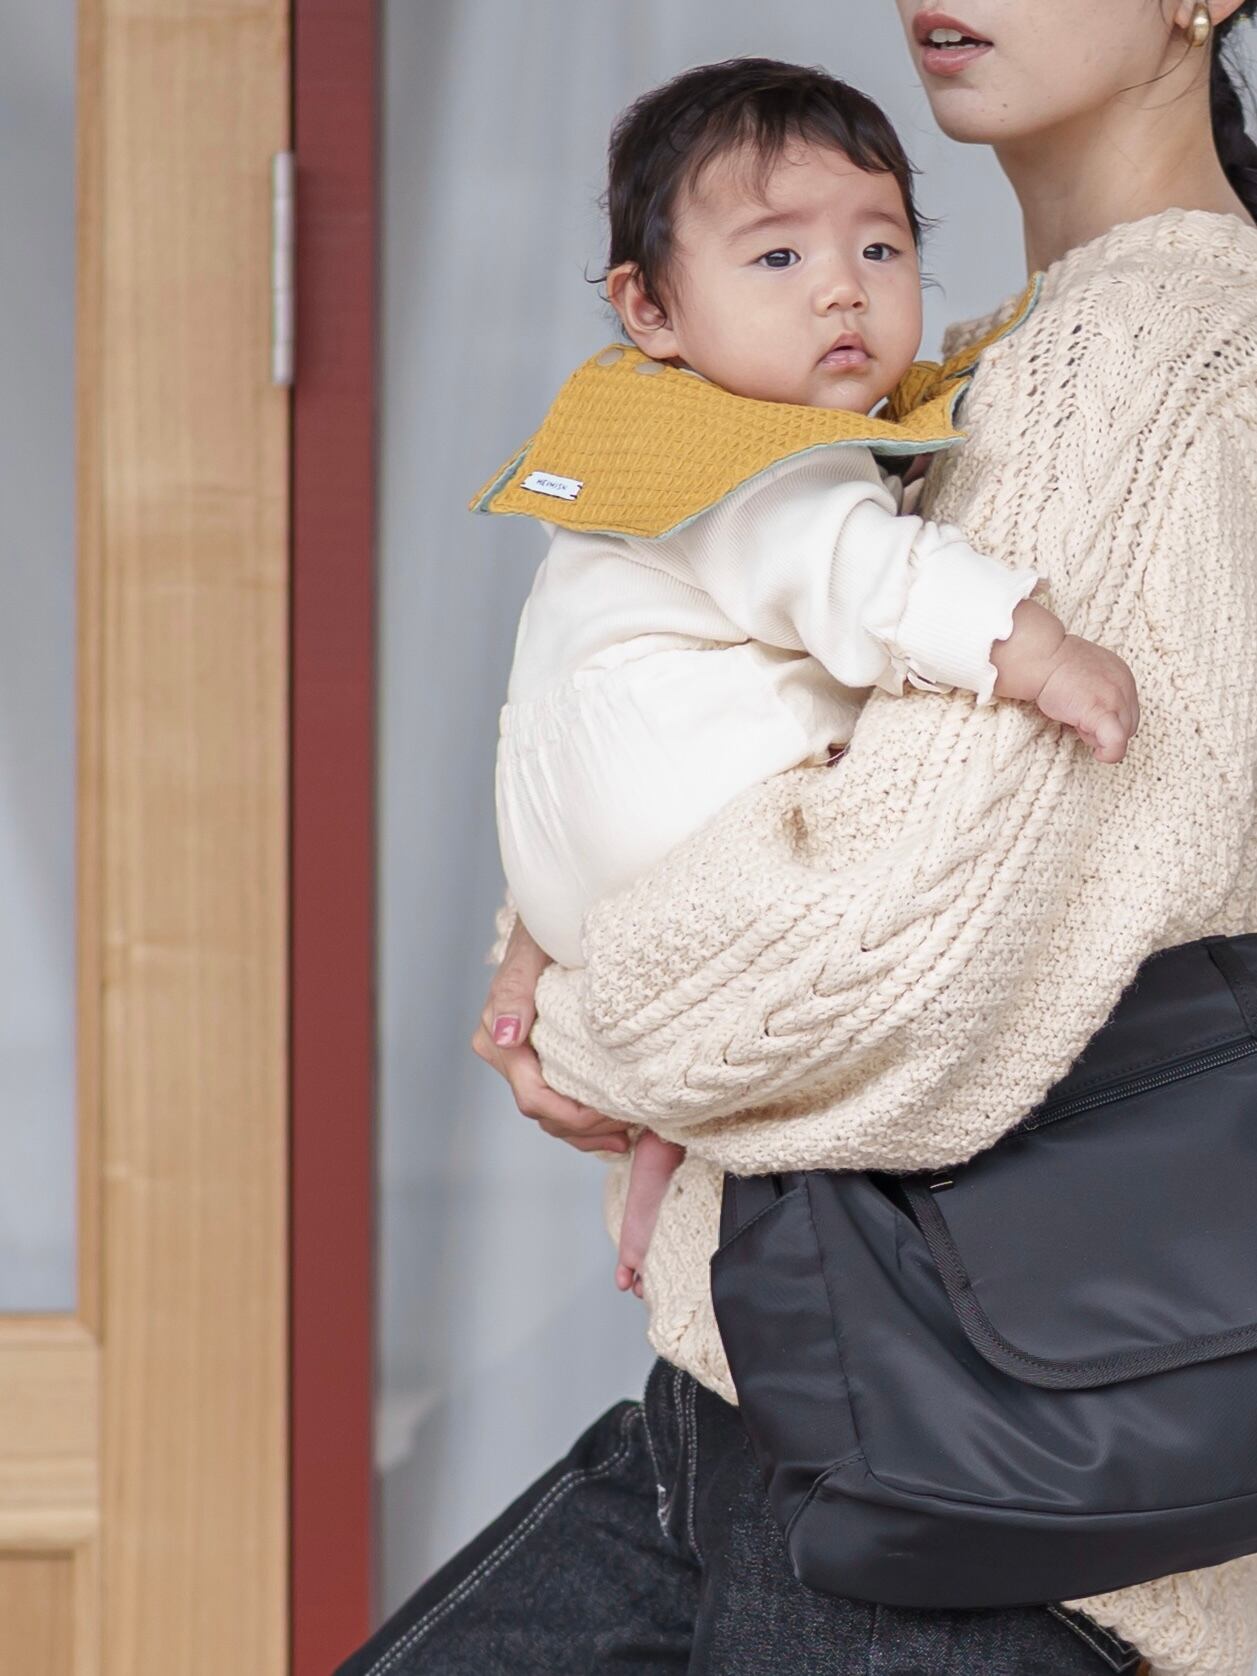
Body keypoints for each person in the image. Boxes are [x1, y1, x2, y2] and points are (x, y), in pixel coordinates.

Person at [341, 3, 1257, 1673]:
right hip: (768, 1399)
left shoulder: (1155, 357)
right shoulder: (969, 359)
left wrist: (578, 1024)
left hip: (972, 1498)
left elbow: (883, 952)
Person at [486, 57, 1140, 1301]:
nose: (842, 287)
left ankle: (662, 1166)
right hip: (689, 830)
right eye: (778, 256)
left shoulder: (641, 436)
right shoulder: (757, 458)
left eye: (881, 249)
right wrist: (1041, 654)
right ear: (649, 308)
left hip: (573, 900)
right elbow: (874, 575)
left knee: (706, 1085)